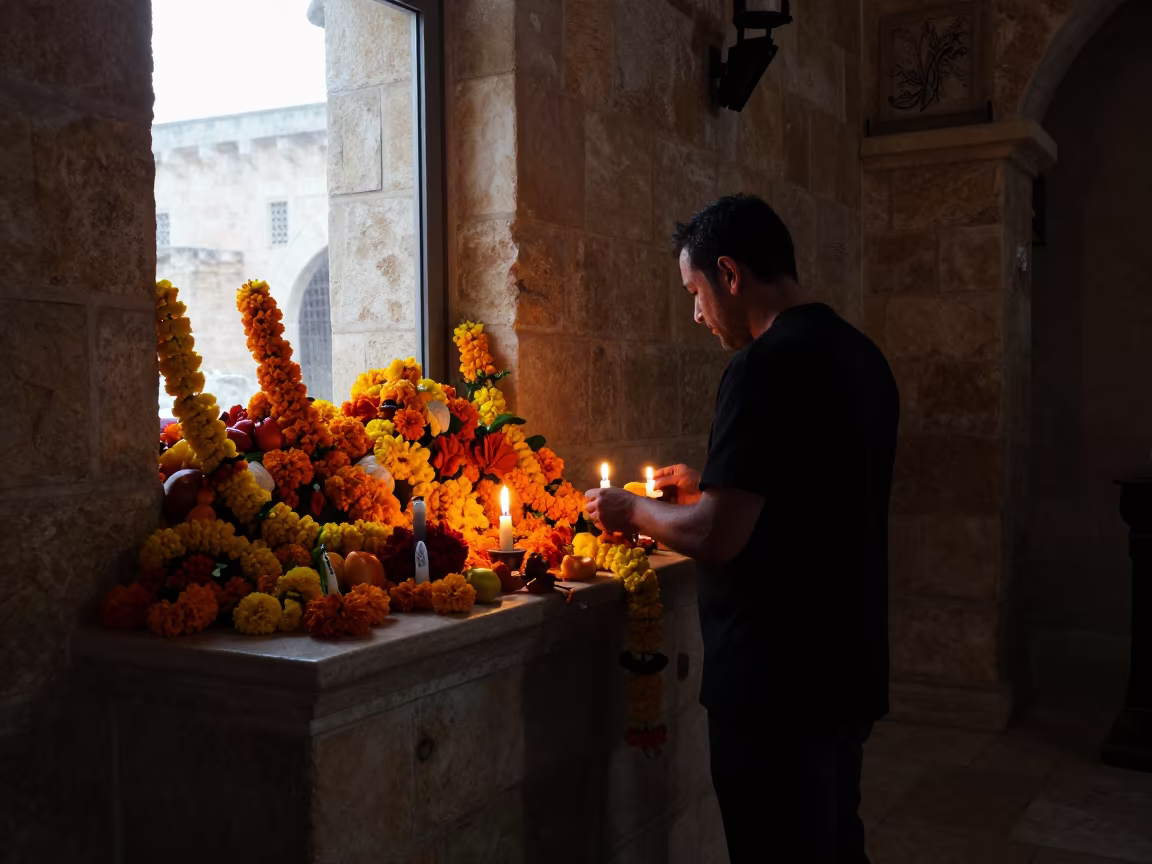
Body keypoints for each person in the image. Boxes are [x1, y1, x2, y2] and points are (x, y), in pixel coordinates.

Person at [584, 194, 899, 863]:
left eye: (695, 291)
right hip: (848, 663)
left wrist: (630, 509)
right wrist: (709, 486)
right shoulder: (862, 355)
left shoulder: (760, 367)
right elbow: (819, 493)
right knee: (836, 843)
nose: (696, 313)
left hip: (777, 684)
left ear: (729, 273)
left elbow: (717, 537)